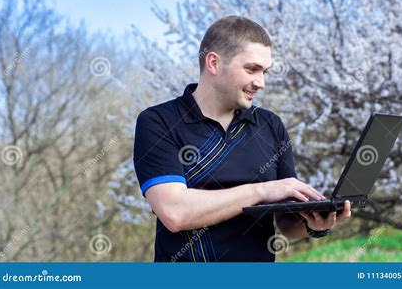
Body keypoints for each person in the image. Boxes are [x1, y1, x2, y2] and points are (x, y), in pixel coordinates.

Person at [133, 16, 351, 262]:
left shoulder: (270, 126)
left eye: (265, 71)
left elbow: (288, 225)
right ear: (214, 63)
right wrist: (261, 191)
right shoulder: (158, 121)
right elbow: (175, 213)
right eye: (252, 69)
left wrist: (317, 223)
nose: (261, 83)